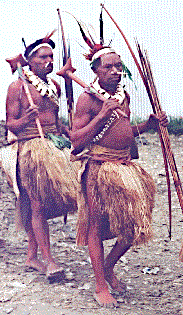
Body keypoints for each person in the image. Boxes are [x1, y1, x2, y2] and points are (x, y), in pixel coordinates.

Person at [70, 45, 168, 307]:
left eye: (118, 66)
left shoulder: (122, 95)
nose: (116, 72)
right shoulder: (87, 99)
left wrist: (148, 125)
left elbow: (124, 132)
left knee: (136, 224)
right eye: (108, 67)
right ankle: (100, 285)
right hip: (99, 168)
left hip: (124, 166)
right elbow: (76, 140)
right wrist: (101, 114)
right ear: (95, 71)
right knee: (95, 225)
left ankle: (108, 267)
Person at [4, 35, 79, 279]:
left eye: (50, 57)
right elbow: (11, 125)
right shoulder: (18, 87)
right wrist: (26, 118)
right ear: (29, 60)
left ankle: (31, 256)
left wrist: (69, 134)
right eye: (42, 57)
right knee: (36, 204)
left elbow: (56, 121)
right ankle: (48, 260)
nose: (48, 61)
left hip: (53, 145)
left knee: (55, 201)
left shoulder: (54, 87)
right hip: (30, 149)